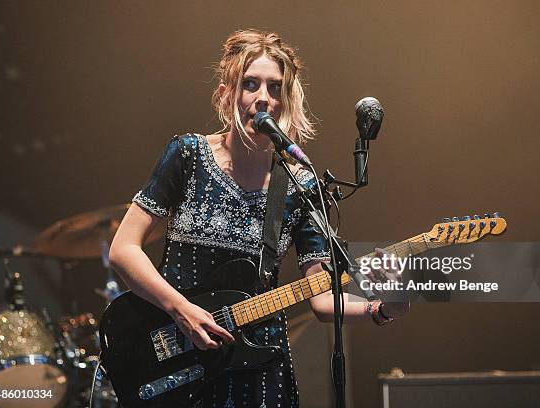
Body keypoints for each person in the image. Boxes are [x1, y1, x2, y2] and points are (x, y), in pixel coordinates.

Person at [109, 29, 408, 408]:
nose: (263, 97)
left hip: (259, 371)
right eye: (250, 84)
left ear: (287, 101)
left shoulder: (300, 185)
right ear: (226, 93)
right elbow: (123, 248)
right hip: (179, 357)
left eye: (274, 87)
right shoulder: (187, 155)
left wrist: (382, 308)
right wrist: (180, 309)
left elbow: (320, 298)